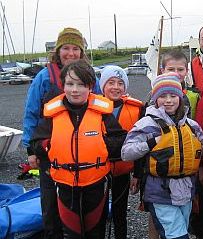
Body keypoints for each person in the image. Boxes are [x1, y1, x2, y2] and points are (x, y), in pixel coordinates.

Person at [30, 60, 127, 238]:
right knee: (72, 234)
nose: (75, 89)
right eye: (70, 84)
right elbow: (36, 142)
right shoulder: (52, 114)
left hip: (95, 185)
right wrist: (50, 146)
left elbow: (120, 139)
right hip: (65, 186)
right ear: (63, 85)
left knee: (95, 233)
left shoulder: (102, 112)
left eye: (81, 84)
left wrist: (101, 144)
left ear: (90, 86)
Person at [22, 27, 100, 239]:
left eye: (76, 48)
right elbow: (30, 113)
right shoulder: (44, 77)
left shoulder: (90, 76)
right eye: (66, 48)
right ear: (58, 50)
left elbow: (103, 108)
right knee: (51, 208)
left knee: (84, 211)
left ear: (82, 52)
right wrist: (31, 149)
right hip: (50, 152)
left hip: (85, 155)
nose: (71, 53)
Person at [121, 73, 203, 239]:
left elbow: (201, 149)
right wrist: (151, 143)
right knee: (177, 236)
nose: (168, 100)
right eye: (163, 96)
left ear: (180, 98)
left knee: (181, 231)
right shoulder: (147, 124)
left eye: (173, 95)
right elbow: (126, 153)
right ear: (155, 99)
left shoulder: (192, 126)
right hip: (160, 192)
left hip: (186, 190)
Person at [99, 65, 143, 239]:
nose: (116, 87)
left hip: (124, 171)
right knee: (99, 214)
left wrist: (137, 174)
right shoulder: (92, 108)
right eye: (111, 82)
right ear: (103, 86)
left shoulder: (136, 109)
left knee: (120, 213)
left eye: (120, 83)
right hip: (99, 172)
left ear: (125, 87)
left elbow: (141, 145)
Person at [160, 49, 200, 119]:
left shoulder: (195, 96)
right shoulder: (155, 95)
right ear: (163, 71)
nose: (176, 73)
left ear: (187, 71)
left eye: (180, 69)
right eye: (171, 69)